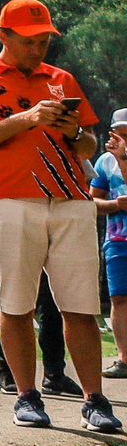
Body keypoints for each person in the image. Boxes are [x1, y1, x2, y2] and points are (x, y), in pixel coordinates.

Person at [0, 0, 117, 432]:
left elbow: (90, 144)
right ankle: (26, 396)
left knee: (82, 307)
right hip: (8, 199)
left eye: (46, 39)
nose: (40, 48)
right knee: (16, 304)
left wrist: (73, 131)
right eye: (31, 40)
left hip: (72, 199)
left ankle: (95, 400)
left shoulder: (61, 78)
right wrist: (28, 118)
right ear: (5, 35)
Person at [93, 114, 127, 379]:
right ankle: (124, 359)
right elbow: (91, 202)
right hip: (117, 239)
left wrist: (123, 160)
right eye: (120, 133)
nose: (123, 139)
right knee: (119, 298)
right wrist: (116, 205)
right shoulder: (104, 162)